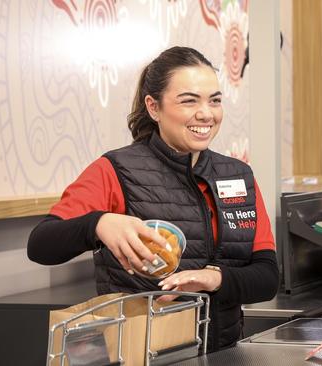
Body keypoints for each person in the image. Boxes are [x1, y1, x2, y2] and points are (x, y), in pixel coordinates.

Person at [27, 46, 279, 353]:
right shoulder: (115, 170)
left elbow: (266, 278)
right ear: (153, 107)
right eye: (189, 101)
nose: (206, 113)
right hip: (138, 352)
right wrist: (99, 224)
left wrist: (213, 279)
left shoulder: (238, 176)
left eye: (214, 100)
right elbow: (40, 245)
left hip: (222, 353)